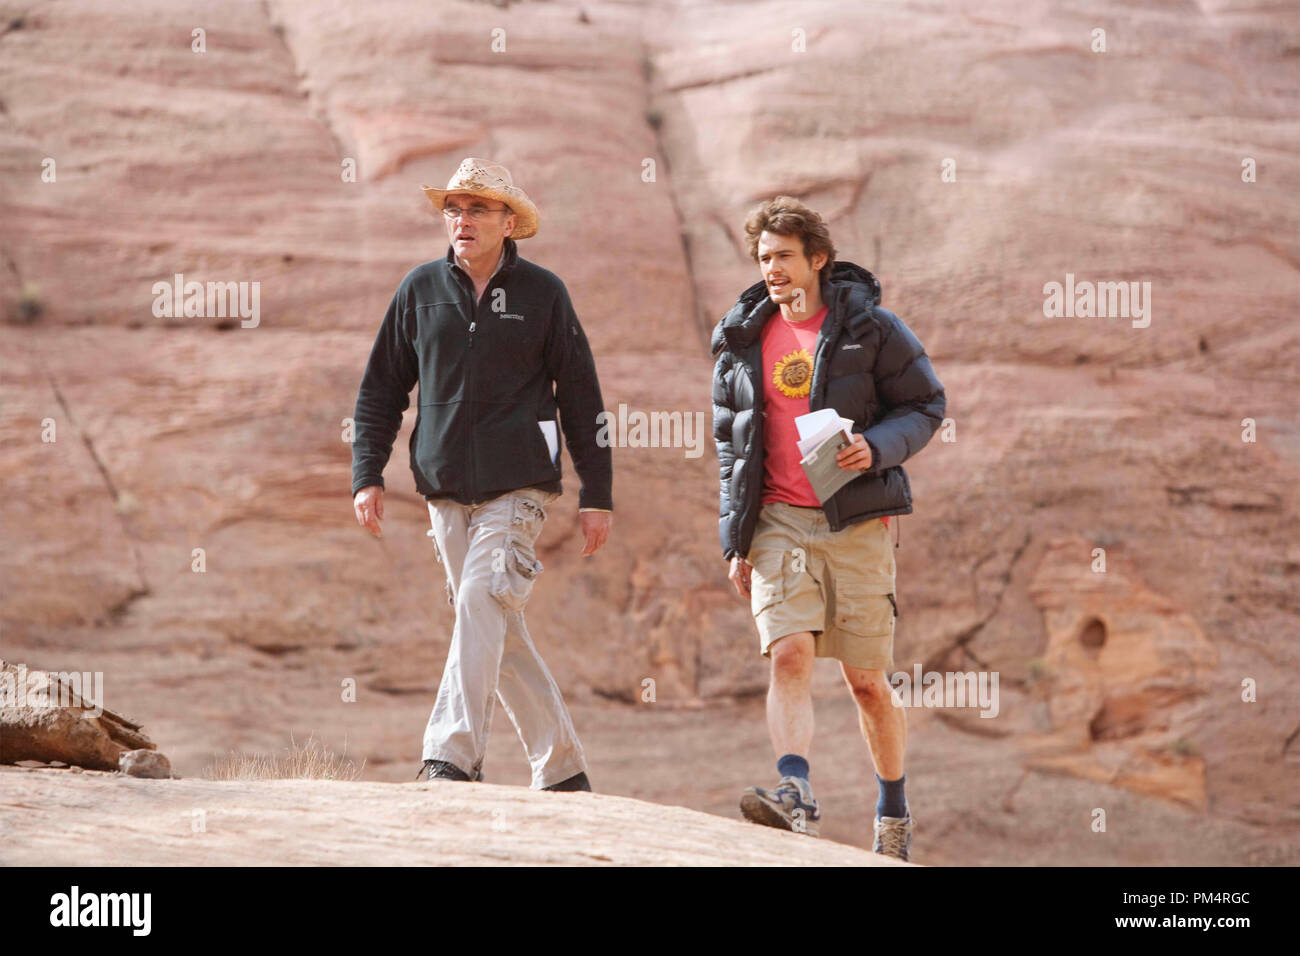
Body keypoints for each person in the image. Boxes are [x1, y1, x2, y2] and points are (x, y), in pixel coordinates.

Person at [350, 158, 612, 791]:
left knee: (480, 601)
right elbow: (381, 390)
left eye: (477, 210)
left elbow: (582, 396)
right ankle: (563, 769)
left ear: (509, 222)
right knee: (492, 619)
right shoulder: (419, 290)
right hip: (442, 489)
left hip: (518, 484)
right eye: (453, 209)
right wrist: (368, 472)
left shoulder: (543, 294)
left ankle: (451, 756)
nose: (461, 221)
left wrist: (597, 494)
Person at [710, 195, 945, 859]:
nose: (772, 269)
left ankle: (892, 810)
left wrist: (877, 446)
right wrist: (736, 538)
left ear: (817, 259)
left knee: (867, 684)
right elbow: (732, 447)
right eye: (763, 258)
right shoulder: (742, 338)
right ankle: (795, 793)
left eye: (784, 256)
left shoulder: (870, 328)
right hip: (778, 521)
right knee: (789, 654)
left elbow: (926, 403)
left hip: (856, 520)